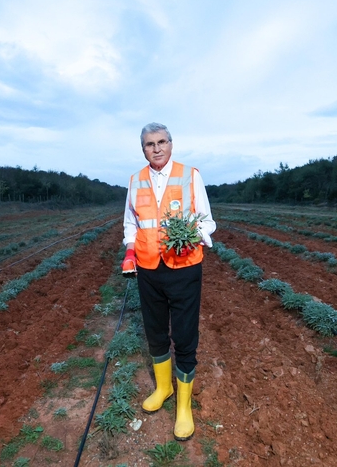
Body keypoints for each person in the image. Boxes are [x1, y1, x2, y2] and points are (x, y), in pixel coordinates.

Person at [121, 122, 216, 441]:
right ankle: (163, 388)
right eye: (150, 144)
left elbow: (207, 220)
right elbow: (130, 224)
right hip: (149, 268)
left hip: (184, 265)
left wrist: (195, 236)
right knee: (155, 330)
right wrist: (130, 252)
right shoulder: (135, 181)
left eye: (162, 142)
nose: (157, 148)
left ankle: (184, 406)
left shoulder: (191, 175)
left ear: (171, 145)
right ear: (143, 149)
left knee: (186, 335)